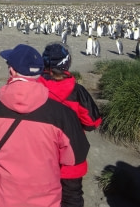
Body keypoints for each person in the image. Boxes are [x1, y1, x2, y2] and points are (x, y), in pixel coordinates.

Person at [0, 44, 90, 207]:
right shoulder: (62, 114)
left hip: (0, 199)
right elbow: (75, 163)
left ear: (11, 71)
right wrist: (72, 201)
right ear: (39, 73)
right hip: (46, 201)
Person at [39, 42, 102, 207]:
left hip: (41, 156)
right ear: (67, 63)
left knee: (42, 197)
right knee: (72, 198)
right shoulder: (77, 91)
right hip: (72, 157)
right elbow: (92, 123)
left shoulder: (35, 88)